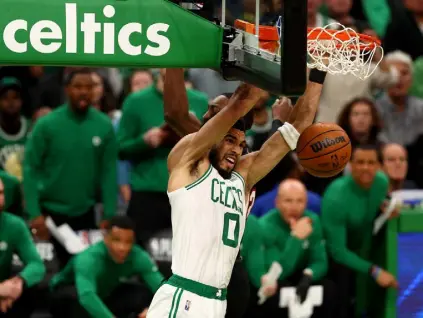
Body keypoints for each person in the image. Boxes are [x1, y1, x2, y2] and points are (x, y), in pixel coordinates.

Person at [147, 67, 327, 318]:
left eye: (242, 145)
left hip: (218, 300)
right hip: (184, 296)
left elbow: (299, 125)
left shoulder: (242, 178)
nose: (237, 149)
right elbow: (239, 102)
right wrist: (261, 57)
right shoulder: (190, 163)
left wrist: (320, 70)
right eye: (230, 140)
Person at [23, 68, 118, 268]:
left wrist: (109, 213)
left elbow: (109, 172)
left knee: (83, 272)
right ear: (67, 89)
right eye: (78, 86)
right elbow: (30, 168)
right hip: (49, 216)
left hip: (86, 214)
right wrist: (34, 213)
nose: (83, 91)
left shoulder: (103, 125)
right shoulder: (47, 125)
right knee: (48, 276)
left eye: (89, 87)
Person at [117, 69, 208, 248]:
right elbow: (120, 149)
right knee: (143, 253)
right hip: (148, 193)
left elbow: (211, 147)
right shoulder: (136, 101)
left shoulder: (199, 100)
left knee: (190, 253)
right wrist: (144, 141)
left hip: (189, 191)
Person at [321, 144, 398, 318]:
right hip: (335, 256)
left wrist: (386, 208)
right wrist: (374, 271)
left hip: (363, 247)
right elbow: (337, 251)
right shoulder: (336, 195)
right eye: (360, 162)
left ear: (379, 166)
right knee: (344, 298)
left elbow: (373, 208)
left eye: (371, 163)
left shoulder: (381, 183)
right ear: (350, 165)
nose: (365, 168)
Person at [49, 216, 164, 318]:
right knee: (76, 300)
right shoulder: (88, 259)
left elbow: (162, 288)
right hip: (69, 293)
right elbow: (86, 297)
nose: (122, 247)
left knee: (141, 293)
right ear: (105, 238)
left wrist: (154, 310)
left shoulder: (138, 256)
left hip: (104, 295)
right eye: (116, 240)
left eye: (128, 242)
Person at [251, 179, 334, 318]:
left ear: (306, 203)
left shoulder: (312, 220)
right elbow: (278, 273)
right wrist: (296, 239)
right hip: (274, 280)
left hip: (300, 275)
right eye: (288, 201)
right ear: (277, 202)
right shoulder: (265, 226)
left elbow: (320, 261)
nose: (294, 207)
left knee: (329, 288)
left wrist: (308, 275)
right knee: (277, 293)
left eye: (299, 201)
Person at [0, 178, 46, 318]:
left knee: (30, 295)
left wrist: (19, 282)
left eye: (1, 193)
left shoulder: (14, 225)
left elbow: (37, 264)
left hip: (6, 295)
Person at [0, 77, 30, 181]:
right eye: (5, 98)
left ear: (21, 101)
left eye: (15, 97)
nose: (10, 102)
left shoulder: (31, 128)